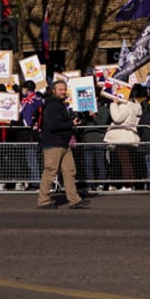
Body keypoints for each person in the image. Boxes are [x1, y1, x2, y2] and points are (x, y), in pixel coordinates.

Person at [37, 79, 88, 210]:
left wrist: (72, 122)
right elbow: (53, 125)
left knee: (70, 171)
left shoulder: (60, 104)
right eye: (60, 89)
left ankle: (74, 199)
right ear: (53, 91)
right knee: (50, 171)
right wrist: (71, 124)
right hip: (53, 143)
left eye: (65, 89)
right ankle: (43, 200)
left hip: (63, 143)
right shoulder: (53, 105)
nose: (63, 92)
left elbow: (60, 123)